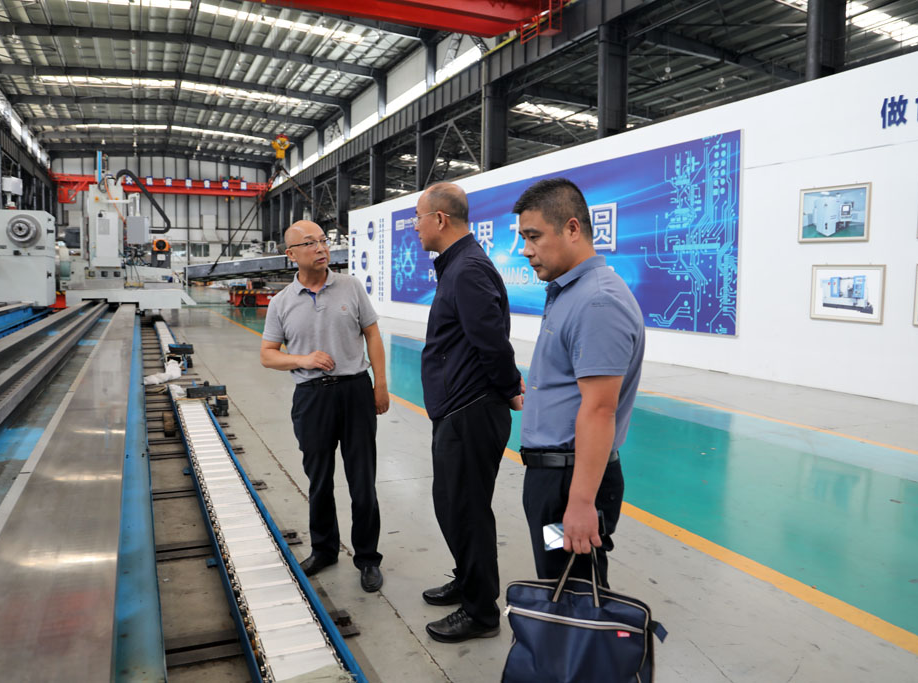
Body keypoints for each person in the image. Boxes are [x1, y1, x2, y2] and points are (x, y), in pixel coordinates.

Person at [513, 178, 645, 587]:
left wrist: (582, 502)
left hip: (570, 483)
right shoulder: (570, 292)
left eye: (534, 236)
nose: (525, 250)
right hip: (556, 478)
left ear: (572, 228)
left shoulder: (597, 301)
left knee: (573, 589)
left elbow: (600, 409)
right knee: (562, 580)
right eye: (523, 238)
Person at [414, 182, 524, 643]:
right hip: (457, 408)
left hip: (471, 410)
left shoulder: (467, 270)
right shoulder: (458, 266)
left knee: (467, 509)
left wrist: (508, 387)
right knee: (452, 505)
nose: (415, 227)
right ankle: (467, 579)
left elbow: (492, 342)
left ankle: (481, 613)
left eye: (419, 218)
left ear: (440, 219)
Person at [260, 220, 388, 593]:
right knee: (319, 480)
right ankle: (324, 550)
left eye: (323, 240)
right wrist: (303, 359)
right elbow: (268, 355)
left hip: (355, 391)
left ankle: (368, 557)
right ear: (291, 254)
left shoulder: (350, 286)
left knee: (362, 480)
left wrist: (380, 384)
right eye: (310, 243)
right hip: (312, 398)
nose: (321, 248)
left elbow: (372, 333)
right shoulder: (281, 302)